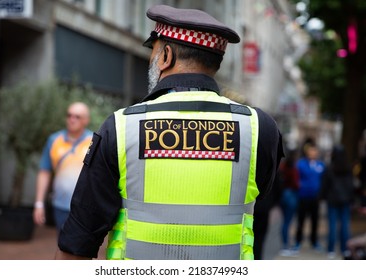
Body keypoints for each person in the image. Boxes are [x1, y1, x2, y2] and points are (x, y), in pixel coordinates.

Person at [55, 4, 284, 260]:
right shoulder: (259, 128)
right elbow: (260, 195)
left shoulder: (121, 127)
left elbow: (78, 243)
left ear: (166, 56)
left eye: (153, 51)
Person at [33, 102, 92, 231]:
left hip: (86, 207)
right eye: (69, 115)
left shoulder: (94, 141)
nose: (72, 119)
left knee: (83, 249)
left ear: (86, 120)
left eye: (77, 116)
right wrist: (39, 204)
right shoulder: (54, 140)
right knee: (62, 245)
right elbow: (44, 172)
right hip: (60, 205)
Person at [320, 145, 355, 259]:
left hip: (333, 200)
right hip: (345, 200)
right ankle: (344, 249)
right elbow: (351, 185)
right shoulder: (348, 168)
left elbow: (325, 185)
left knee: (332, 225)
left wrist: (322, 197)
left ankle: (331, 250)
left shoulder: (330, 168)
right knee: (345, 225)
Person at [294, 142, 325, 252]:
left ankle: (314, 241)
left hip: (315, 198)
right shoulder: (301, 164)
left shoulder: (321, 165)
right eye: (311, 150)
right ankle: (298, 242)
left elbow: (323, 180)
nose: (313, 153)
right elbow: (297, 178)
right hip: (303, 197)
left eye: (315, 150)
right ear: (307, 152)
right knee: (301, 220)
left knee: (315, 221)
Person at [278, 149, 299, 256]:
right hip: (291, 195)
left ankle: (284, 244)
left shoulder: (282, 167)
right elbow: (296, 183)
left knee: (284, 222)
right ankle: (287, 245)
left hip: (283, 196)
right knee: (288, 222)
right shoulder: (294, 169)